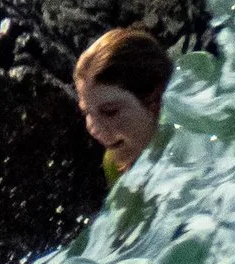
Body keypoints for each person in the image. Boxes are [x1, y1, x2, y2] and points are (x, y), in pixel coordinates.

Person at [74, 27, 173, 181]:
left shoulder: (198, 145)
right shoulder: (114, 165)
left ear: (155, 101)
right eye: (86, 112)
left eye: (110, 111)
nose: (93, 128)